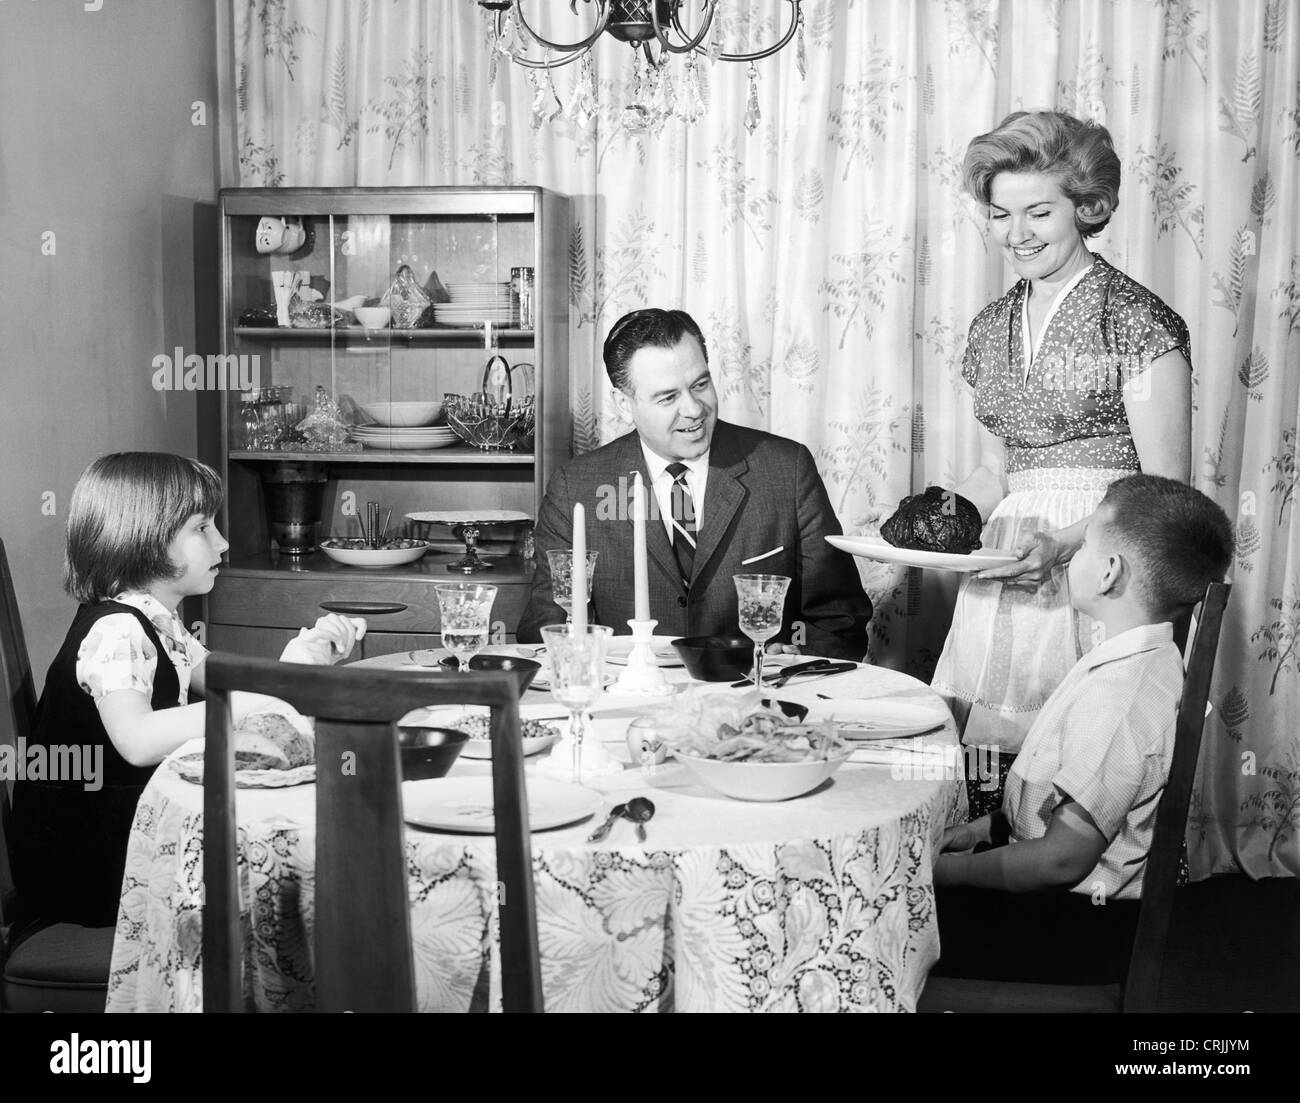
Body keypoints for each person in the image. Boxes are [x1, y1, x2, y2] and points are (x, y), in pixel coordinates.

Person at [928, 111, 1193, 813]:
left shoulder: (1134, 319)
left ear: (1086, 207)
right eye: (1000, 213)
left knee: (1068, 783)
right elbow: (995, 475)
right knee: (981, 775)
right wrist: (929, 522)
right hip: (1009, 565)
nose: (1018, 232)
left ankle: (1067, 911)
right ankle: (985, 894)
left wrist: (1065, 544)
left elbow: (1163, 492)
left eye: (1039, 211)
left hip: (1103, 564)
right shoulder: (989, 329)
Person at [9, 452, 365, 937]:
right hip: (92, 874)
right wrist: (264, 699)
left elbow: (214, 675)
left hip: (132, 841)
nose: (222, 541)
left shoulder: (155, 617)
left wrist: (298, 658)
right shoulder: (117, 629)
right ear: (143, 537)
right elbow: (136, 739)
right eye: (202, 528)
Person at [929, 475, 1233, 985]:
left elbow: (1062, 860)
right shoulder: (1132, 659)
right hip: (1061, 910)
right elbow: (1052, 805)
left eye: (1085, 546)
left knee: (879, 910)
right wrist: (980, 832)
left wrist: (947, 875)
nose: (1070, 558)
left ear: (1110, 572)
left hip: (1071, 932)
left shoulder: (1121, 698)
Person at [517, 308, 871, 660]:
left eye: (701, 384)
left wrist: (796, 658)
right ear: (624, 405)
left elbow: (840, 620)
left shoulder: (786, 469)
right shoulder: (574, 488)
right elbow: (544, 630)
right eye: (668, 397)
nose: (694, 409)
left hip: (754, 699)